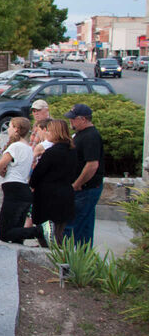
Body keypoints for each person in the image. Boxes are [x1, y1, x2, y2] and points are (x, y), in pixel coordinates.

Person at [0, 117, 41, 245]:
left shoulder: (15, 147)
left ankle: (41, 231)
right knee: (16, 232)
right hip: (23, 189)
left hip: (13, 190)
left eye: (10, 126)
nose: (8, 129)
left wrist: (2, 170)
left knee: (4, 233)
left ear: (16, 129)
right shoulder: (28, 148)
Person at [31, 119, 77, 243]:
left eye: (50, 131)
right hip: (66, 194)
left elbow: (38, 174)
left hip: (48, 198)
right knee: (60, 232)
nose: (47, 134)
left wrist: (31, 185)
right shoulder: (73, 152)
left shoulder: (51, 153)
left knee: (47, 234)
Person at [66, 103, 104, 245]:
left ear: (83, 119)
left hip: (86, 189)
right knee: (84, 227)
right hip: (84, 188)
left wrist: (77, 184)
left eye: (73, 119)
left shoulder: (91, 137)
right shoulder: (82, 134)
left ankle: (72, 259)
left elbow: (92, 165)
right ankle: (82, 257)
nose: (71, 121)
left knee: (74, 225)